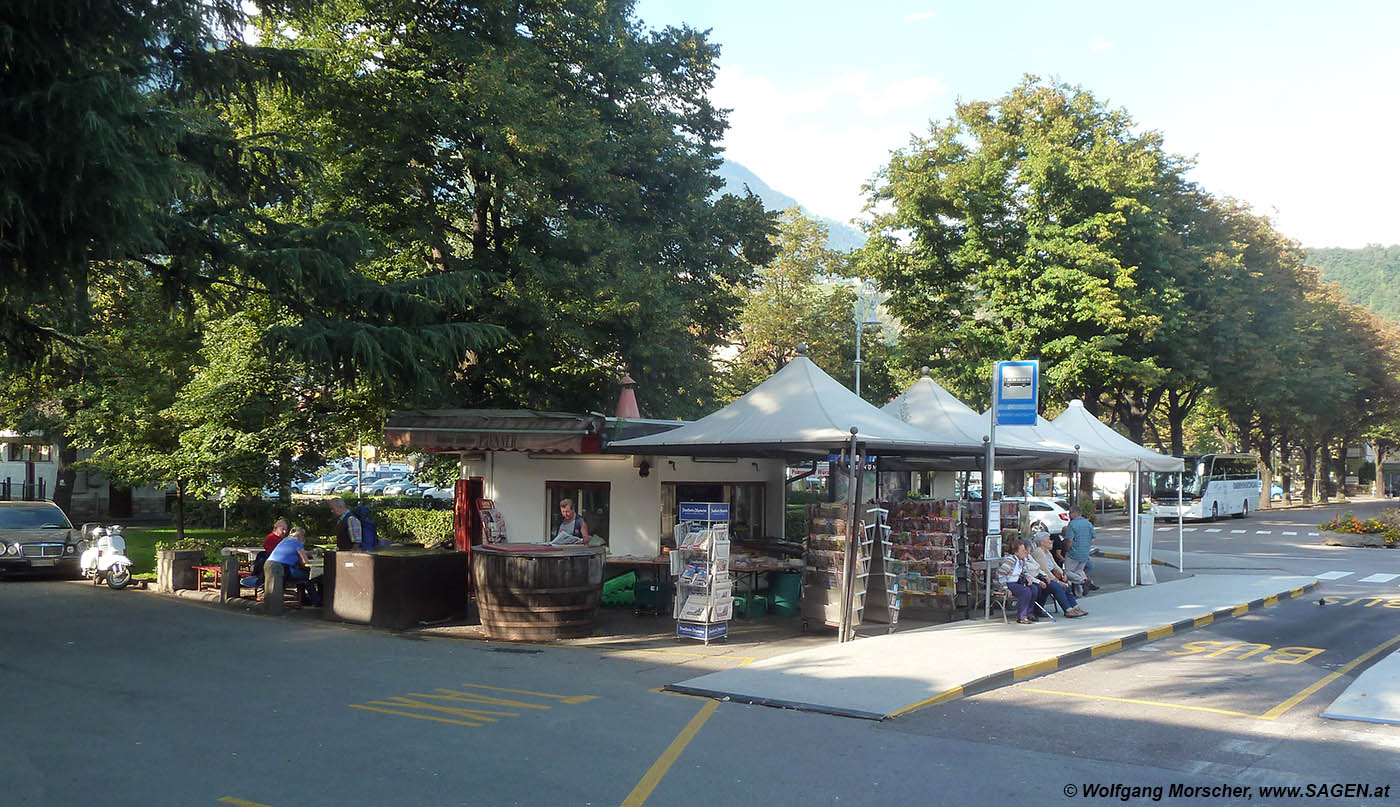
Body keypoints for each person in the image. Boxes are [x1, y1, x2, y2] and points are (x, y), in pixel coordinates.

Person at [1031, 530, 1088, 617]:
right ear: (1042, 542)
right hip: (1042, 577)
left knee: (1066, 584)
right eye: (1048, 539)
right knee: (1057, 587)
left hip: (1050, 577)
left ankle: (1075, 607)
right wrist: (1058, 581)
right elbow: (1045, 570)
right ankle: (1068, 610)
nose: (1051, 541)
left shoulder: (1047, 552)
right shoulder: (1039, 552)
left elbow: (1055, 565)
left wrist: (1062, 574)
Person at [268, 526, 321, 606]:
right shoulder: (297, 543)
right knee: (309, 577)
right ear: (300, 536)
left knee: (302, 574)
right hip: (285, 570)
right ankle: (316, 601)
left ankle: (304, 599)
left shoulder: (285, 541)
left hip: (272, 567)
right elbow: (305, 562)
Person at [995, 540, 1039, 624]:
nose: (1025, 552)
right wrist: (1005, 588)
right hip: (1007, 583)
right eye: (1022, 550)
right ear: (1016, 552)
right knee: (1025, 591)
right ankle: (1021, 617)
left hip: (1015, 583)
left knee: (1034, 588)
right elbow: (1001, 575)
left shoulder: (1022, 560)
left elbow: (1024, 571)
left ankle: (1029, 614)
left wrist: (1028, 577)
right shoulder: (1010, 560)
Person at [1063, 505, 1099, 593]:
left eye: (1070, 513)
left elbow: (1069, 541)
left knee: (1066, 573)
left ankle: (1084, 582)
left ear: (1075, 513)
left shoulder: (1072, 524)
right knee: (1079, 571)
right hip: (1085, 553)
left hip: (1074, 553)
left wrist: (1067, 550)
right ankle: (1081, 590)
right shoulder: (1088, 523)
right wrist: (1085, 545)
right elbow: (1093, 539)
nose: (1069, 514)